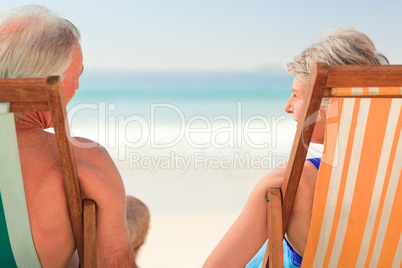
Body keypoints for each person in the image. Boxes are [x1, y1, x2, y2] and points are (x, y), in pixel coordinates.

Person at [203, 27, 389, 267]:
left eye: (296, 95)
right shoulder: (392, 178)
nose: (288, 106)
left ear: (331, 104)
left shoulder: (293, 181)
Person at [0, 5, 149, 267]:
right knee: (136, 210)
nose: (78, 86)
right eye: (76, 76)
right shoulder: (85, 161)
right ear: (48, 80)